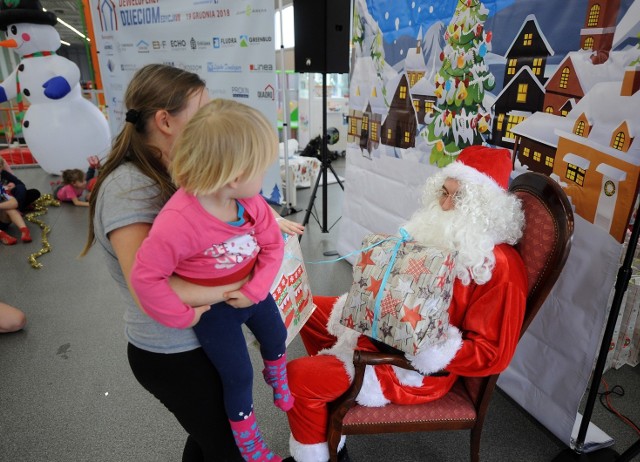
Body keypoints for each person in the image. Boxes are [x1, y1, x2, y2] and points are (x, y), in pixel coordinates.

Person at [81, 64, 301, 462]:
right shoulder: (129, 191)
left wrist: (256, 225)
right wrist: (246, 283)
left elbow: (218, 221)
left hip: (201, 331)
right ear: (165, 121)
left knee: (209, 440)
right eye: (202, 111)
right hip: (173, 351)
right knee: (226, 444)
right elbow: (150, 284)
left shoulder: (182, 171)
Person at [282, 146, 528, 462]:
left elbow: (492, 354)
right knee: (306, 307)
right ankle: (327, 402)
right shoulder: (441, 231)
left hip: (414, 370)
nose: (444, 204)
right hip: (385, 330)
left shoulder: (499, 267)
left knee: (297, 378)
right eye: (444, 192)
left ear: (487, 209)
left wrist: (428, 346)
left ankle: (320, 454)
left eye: (459, 198)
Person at [130, 99, 292, 462]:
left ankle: (277, 376)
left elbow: (272, 247)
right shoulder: (179, 222)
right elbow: (145, 278)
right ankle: (250, 443)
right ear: (234, 176)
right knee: (236, 375)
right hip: (216, 311)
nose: (264, 178)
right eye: (261, 170)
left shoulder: (251, 203)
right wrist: (182, 316)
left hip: (251, 291)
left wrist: (254, 289)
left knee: (276, 336)